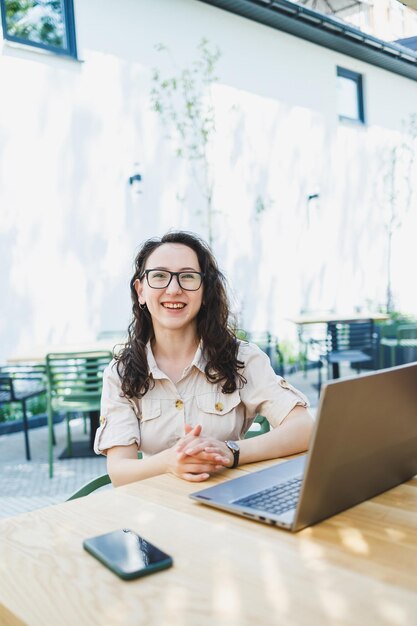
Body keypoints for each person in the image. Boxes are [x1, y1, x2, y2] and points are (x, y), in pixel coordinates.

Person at [94, 230, 313, 486]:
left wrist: (230, 452)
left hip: (229, 503)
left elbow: (304, 429)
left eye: (187, 277)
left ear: (204, 290)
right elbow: (119, 471)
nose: (173, 289)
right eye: (160, 276)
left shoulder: (241, 358)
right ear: (140, 291)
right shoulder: (121, 373)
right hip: (156, 510)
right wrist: (169, 462)